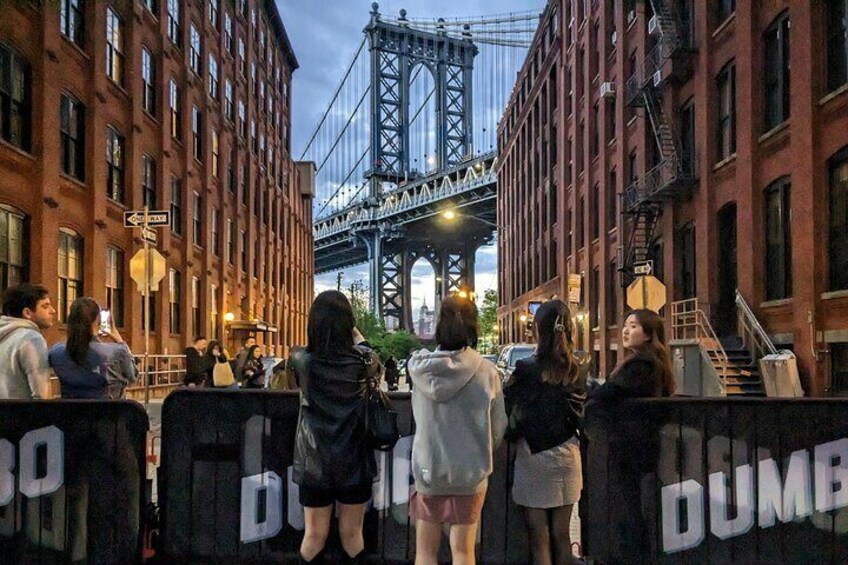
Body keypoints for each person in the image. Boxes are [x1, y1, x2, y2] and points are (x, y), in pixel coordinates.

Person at [407, 293, 507, 565]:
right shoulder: (487, 371)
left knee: (425, 552)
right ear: (474, 327)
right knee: (463, 551)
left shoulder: (419, 369)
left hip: (429, 470)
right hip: (470, 473)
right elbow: (498, 429)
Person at [291, 290, 382, 564]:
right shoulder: (364, 361)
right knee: (353, 537)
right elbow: (369, 355)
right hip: (353, 459)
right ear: (348, 323)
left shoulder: (301, 360)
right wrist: (356, 334)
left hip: (314, 460)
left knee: (314, 537)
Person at [504, 300, 589, 565]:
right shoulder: (579, 368)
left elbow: (509, 406)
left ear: (538, 329)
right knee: (562, 536)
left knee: (539, 539)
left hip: (534, 458)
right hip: (567, 457)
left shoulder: (525, 369)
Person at [49, 297, 138, 399]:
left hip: (71, 413)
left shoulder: (56, 352)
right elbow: (133, 377)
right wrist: (120, 341)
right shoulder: (117, 351)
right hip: (111, 413)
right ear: (98, 320)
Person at [590, 308, 675, 401]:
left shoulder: (642, 364)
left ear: (649, 335)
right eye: (625, 326)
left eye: (633, 326)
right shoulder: (654, 360)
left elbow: (611, 391)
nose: (625, 331)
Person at [0, 283, 56, 399]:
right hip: (21, 415)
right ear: (27, 313)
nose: (53, 311)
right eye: (45, 306)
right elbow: (42, 394)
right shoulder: (31, 338)